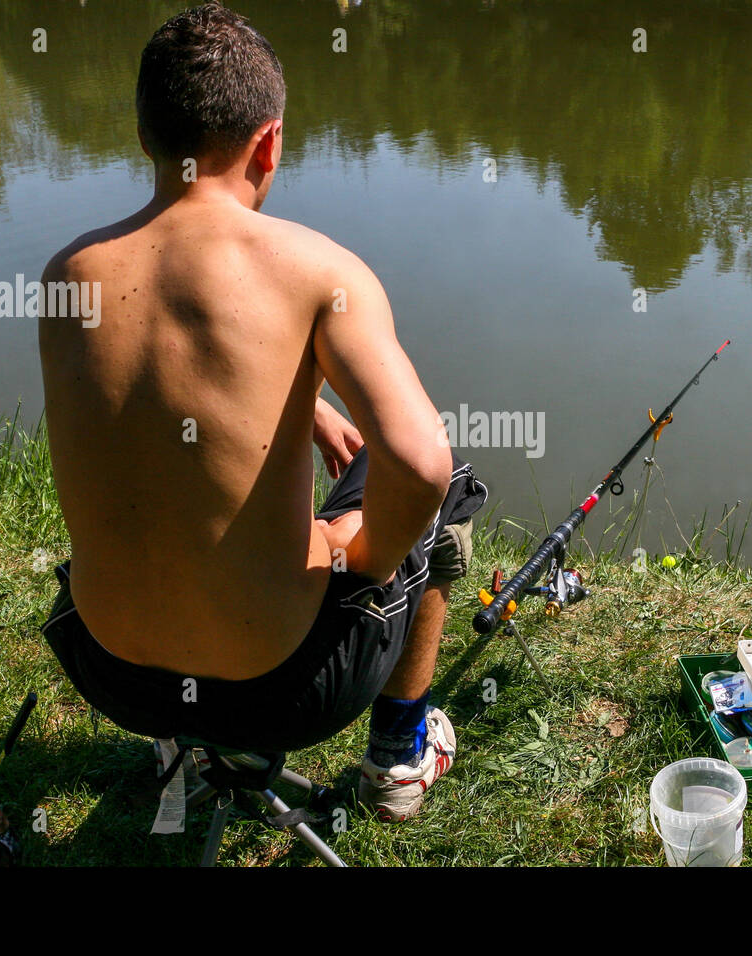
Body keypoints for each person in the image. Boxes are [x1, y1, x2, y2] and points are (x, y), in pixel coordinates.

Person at [37, 2, 486, 822]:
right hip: (285, 689)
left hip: (109, 668)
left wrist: (300, 399)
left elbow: (155, 403)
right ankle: (397, 760)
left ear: (146, 137)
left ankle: (177, 742)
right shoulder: (314, 269)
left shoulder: (68, 273)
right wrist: (361, 554)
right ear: (268, 141)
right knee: (448, 483)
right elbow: (419, 462)